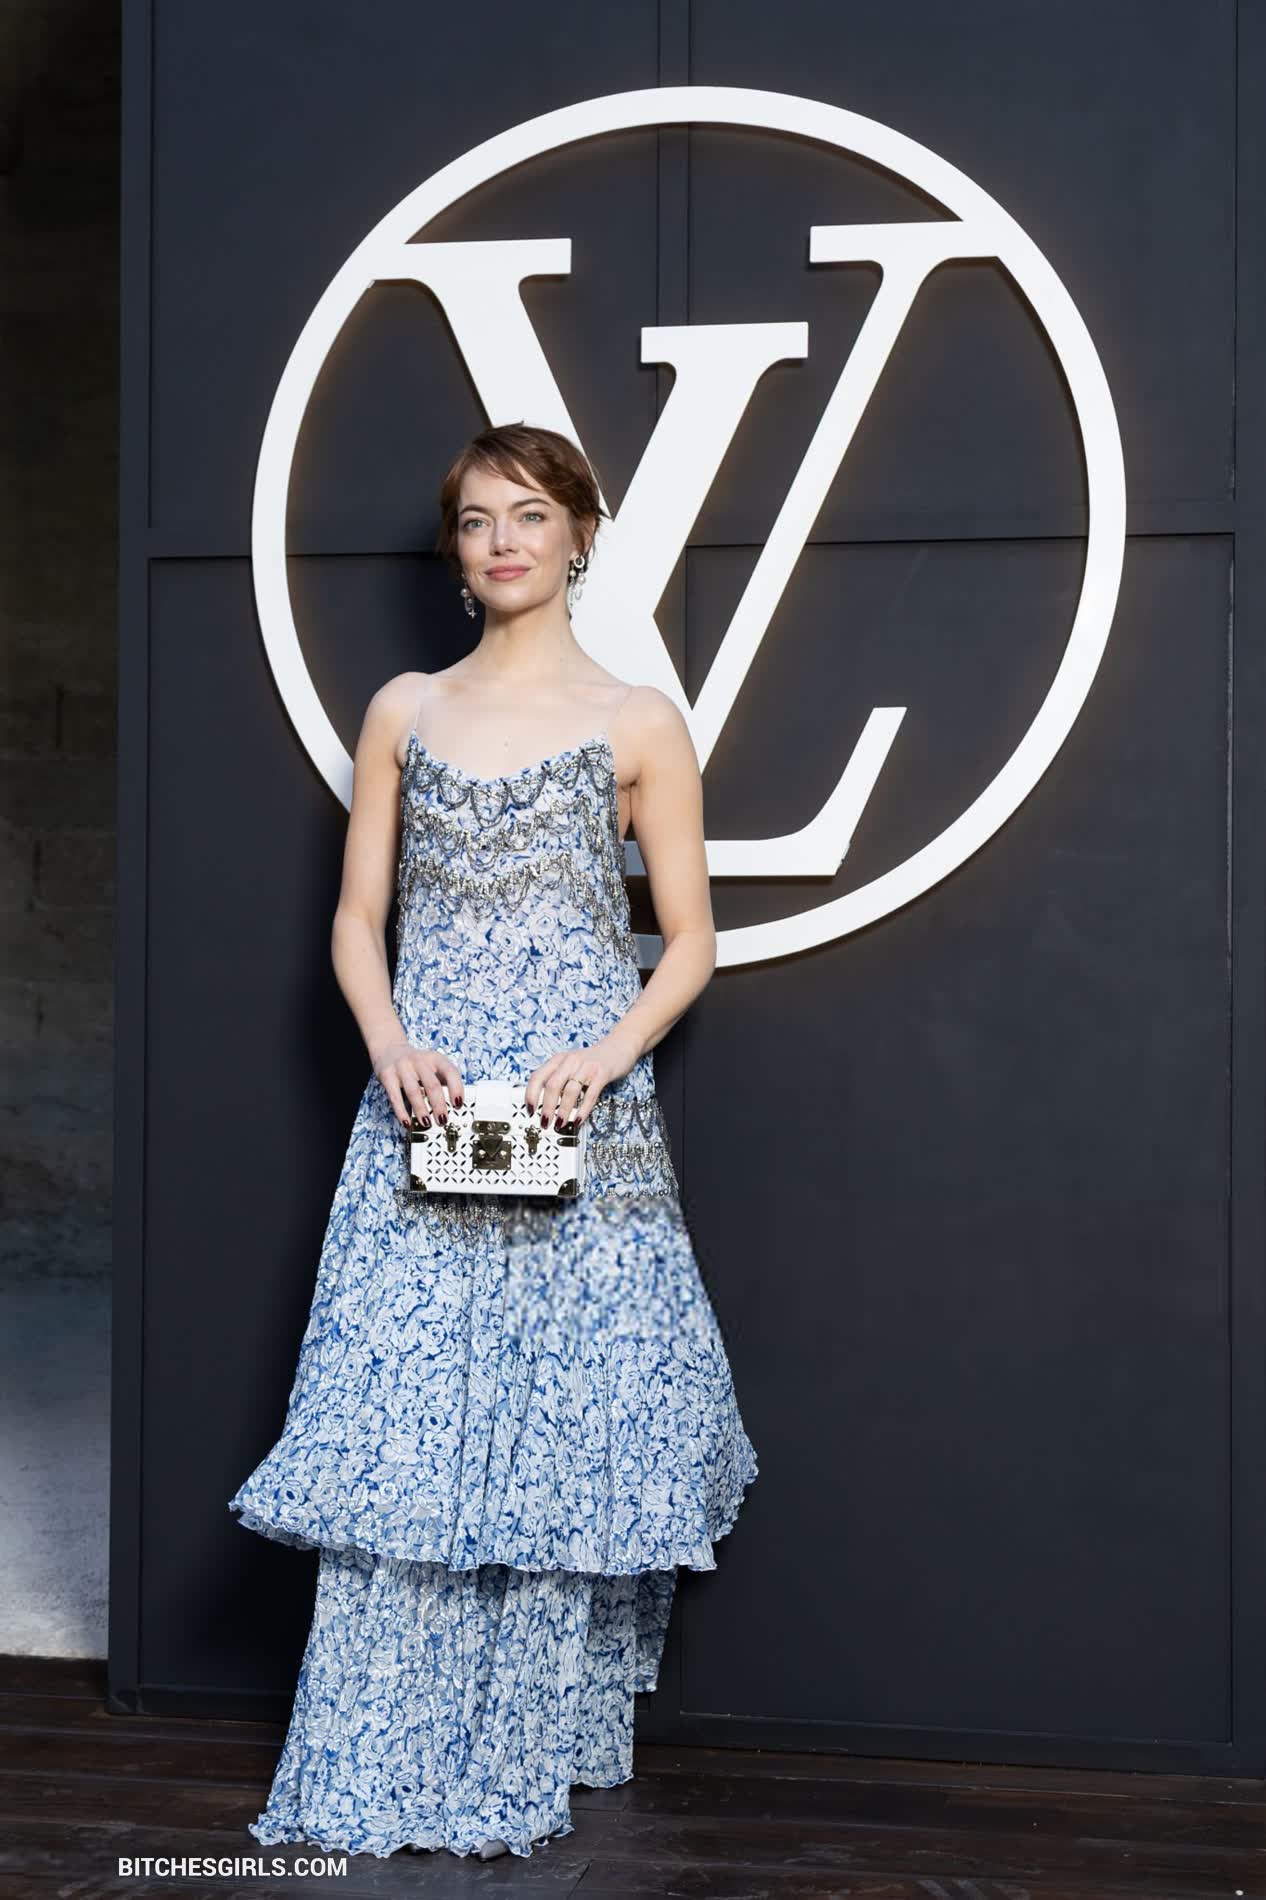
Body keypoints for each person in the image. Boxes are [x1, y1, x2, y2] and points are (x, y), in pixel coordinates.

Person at [227, 420, 759, 1860]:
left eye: (528, 514)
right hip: (427, 1110)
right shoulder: (403, 708)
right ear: (456, 553)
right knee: (406, 1421)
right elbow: (356, 920)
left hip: (575, 1113)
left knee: (563, 1417)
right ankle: (376, 1744)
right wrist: (391, 1044)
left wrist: (605, 1057)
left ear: (579, 533)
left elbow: (691, 940)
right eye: (476, 520)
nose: (502, 540)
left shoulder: (640, 721)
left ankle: (534, 1739)